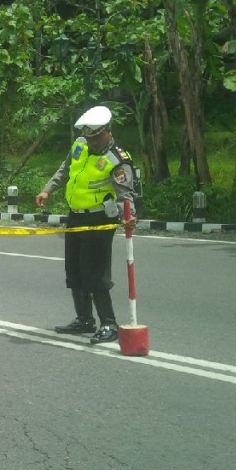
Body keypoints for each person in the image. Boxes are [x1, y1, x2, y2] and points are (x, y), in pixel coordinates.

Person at [35, 105, 136, 344]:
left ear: (108, 132)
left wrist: (129, 216)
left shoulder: (117, 159)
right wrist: (47, 190)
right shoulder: (80, 145)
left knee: (96, 274)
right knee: (74, 270)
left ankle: (109, 324)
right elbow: (65, 170)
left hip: (100, 220)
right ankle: (84, 320)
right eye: (89, 138)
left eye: (96, 138)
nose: (92, 142)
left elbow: (126, 194)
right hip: (76, 216)